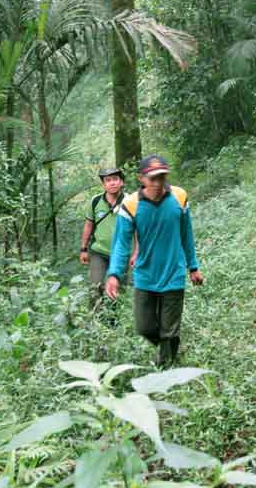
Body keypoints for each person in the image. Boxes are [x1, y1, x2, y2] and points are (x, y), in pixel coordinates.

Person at [105, 154, 204, 366]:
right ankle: (168, 348)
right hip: (145, 275)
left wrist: (193, 267)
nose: (158, 183)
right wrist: (114, 274)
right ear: (142, 179)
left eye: (162, 177)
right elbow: (121, 245)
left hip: (173, 273)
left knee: (170, 328)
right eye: (153, 178)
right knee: (145, 326)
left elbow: (187, 234)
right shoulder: (130, 206)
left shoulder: (179, 197)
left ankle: (167, 366)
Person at [80, 167, 130, 309]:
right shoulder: (95, 201)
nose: (112, 183)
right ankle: (96, 322)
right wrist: (83, 249)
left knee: (117, 291)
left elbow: (138, 229)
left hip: (121, 255)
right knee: (96, 288)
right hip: (99, 252)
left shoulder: (130, 201)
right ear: (103, 184)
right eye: (108, 180)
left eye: (115, 179)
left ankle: (114, 324)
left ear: (121, 182)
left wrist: (137, 253)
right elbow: (88, 225)